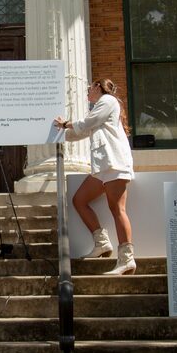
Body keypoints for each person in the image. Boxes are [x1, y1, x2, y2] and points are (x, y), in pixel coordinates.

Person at [54, 78, 136, 275]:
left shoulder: (108, 101)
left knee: (117, 209)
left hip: (115, 164)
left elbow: (87, 123)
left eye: (89, 88)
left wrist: (65, 124)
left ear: (98, 87)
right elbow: (84, 131)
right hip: (103, 167)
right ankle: (102, 243)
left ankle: (127, 259)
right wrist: (55, 133)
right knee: (79, 200)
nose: (87, 92)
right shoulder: (100, 109)